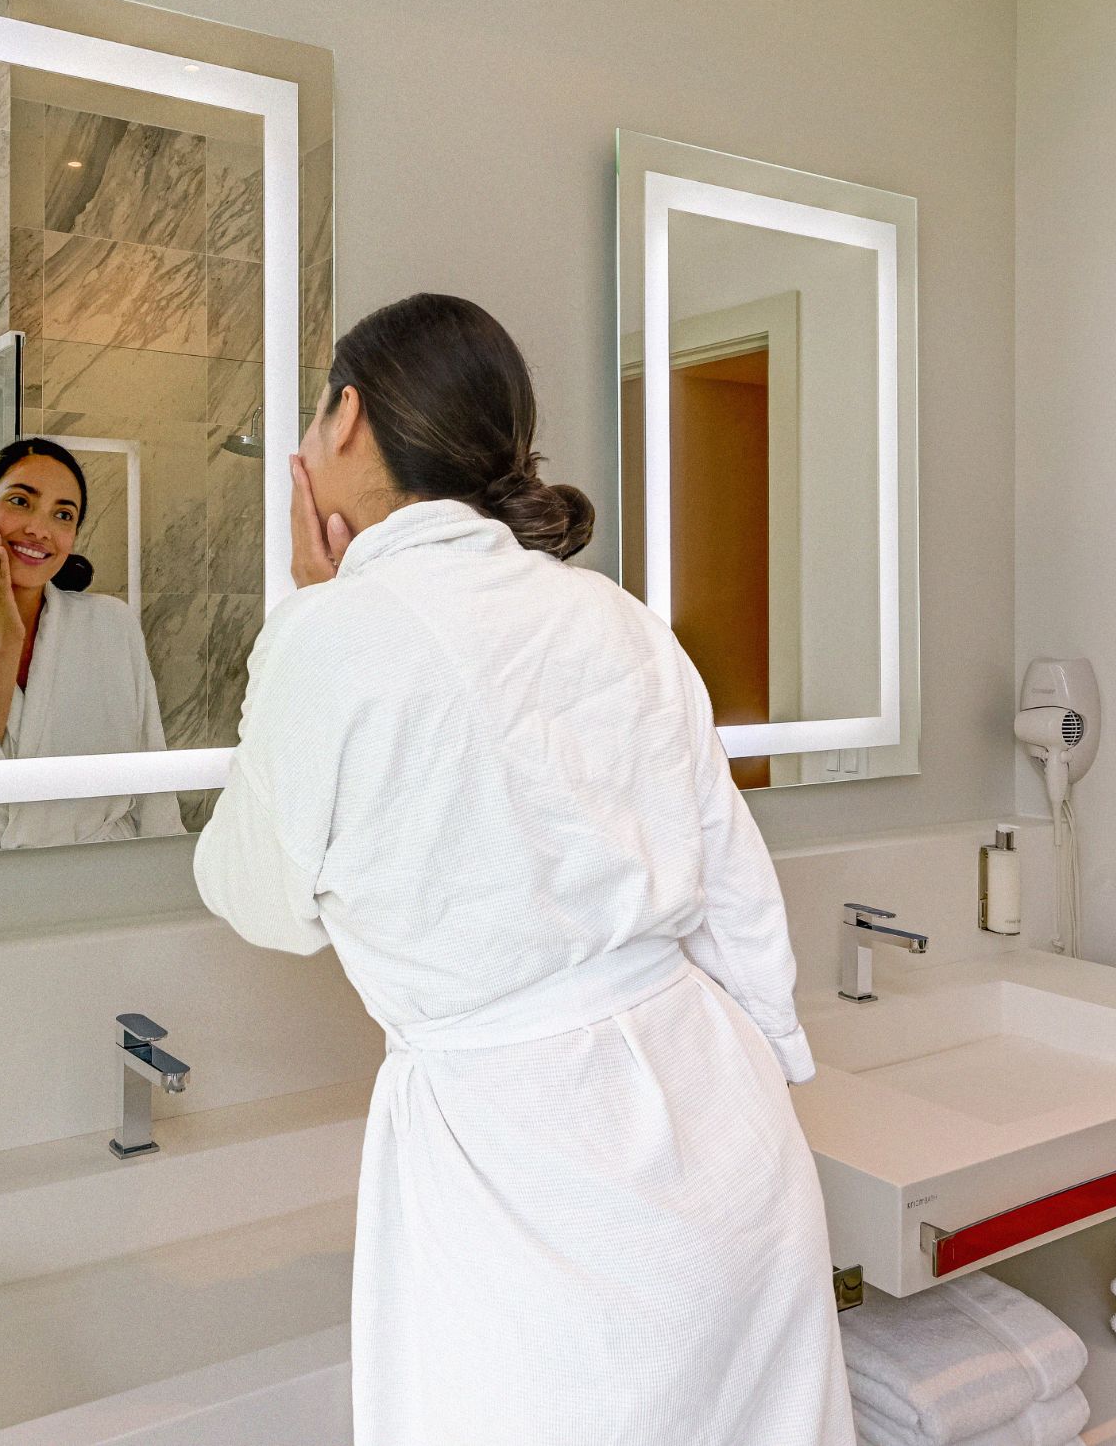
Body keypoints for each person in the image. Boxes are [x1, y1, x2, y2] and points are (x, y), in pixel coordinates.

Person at [194, 294, 852, 1444]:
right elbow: (739, 895)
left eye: (314, 412)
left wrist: (309, 615)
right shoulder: (617, 616)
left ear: (346, 416)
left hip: (530, 1184)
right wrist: (761, 1076)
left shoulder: (335, 633)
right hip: (736, 1157)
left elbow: (259, 899)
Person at [0, 437, 182, 852]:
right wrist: (7, 640)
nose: (39, 530)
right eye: (21, 501)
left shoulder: (112, 624)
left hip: (104, 870)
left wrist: (165, 875)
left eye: (62, 514)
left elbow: (153, 776)